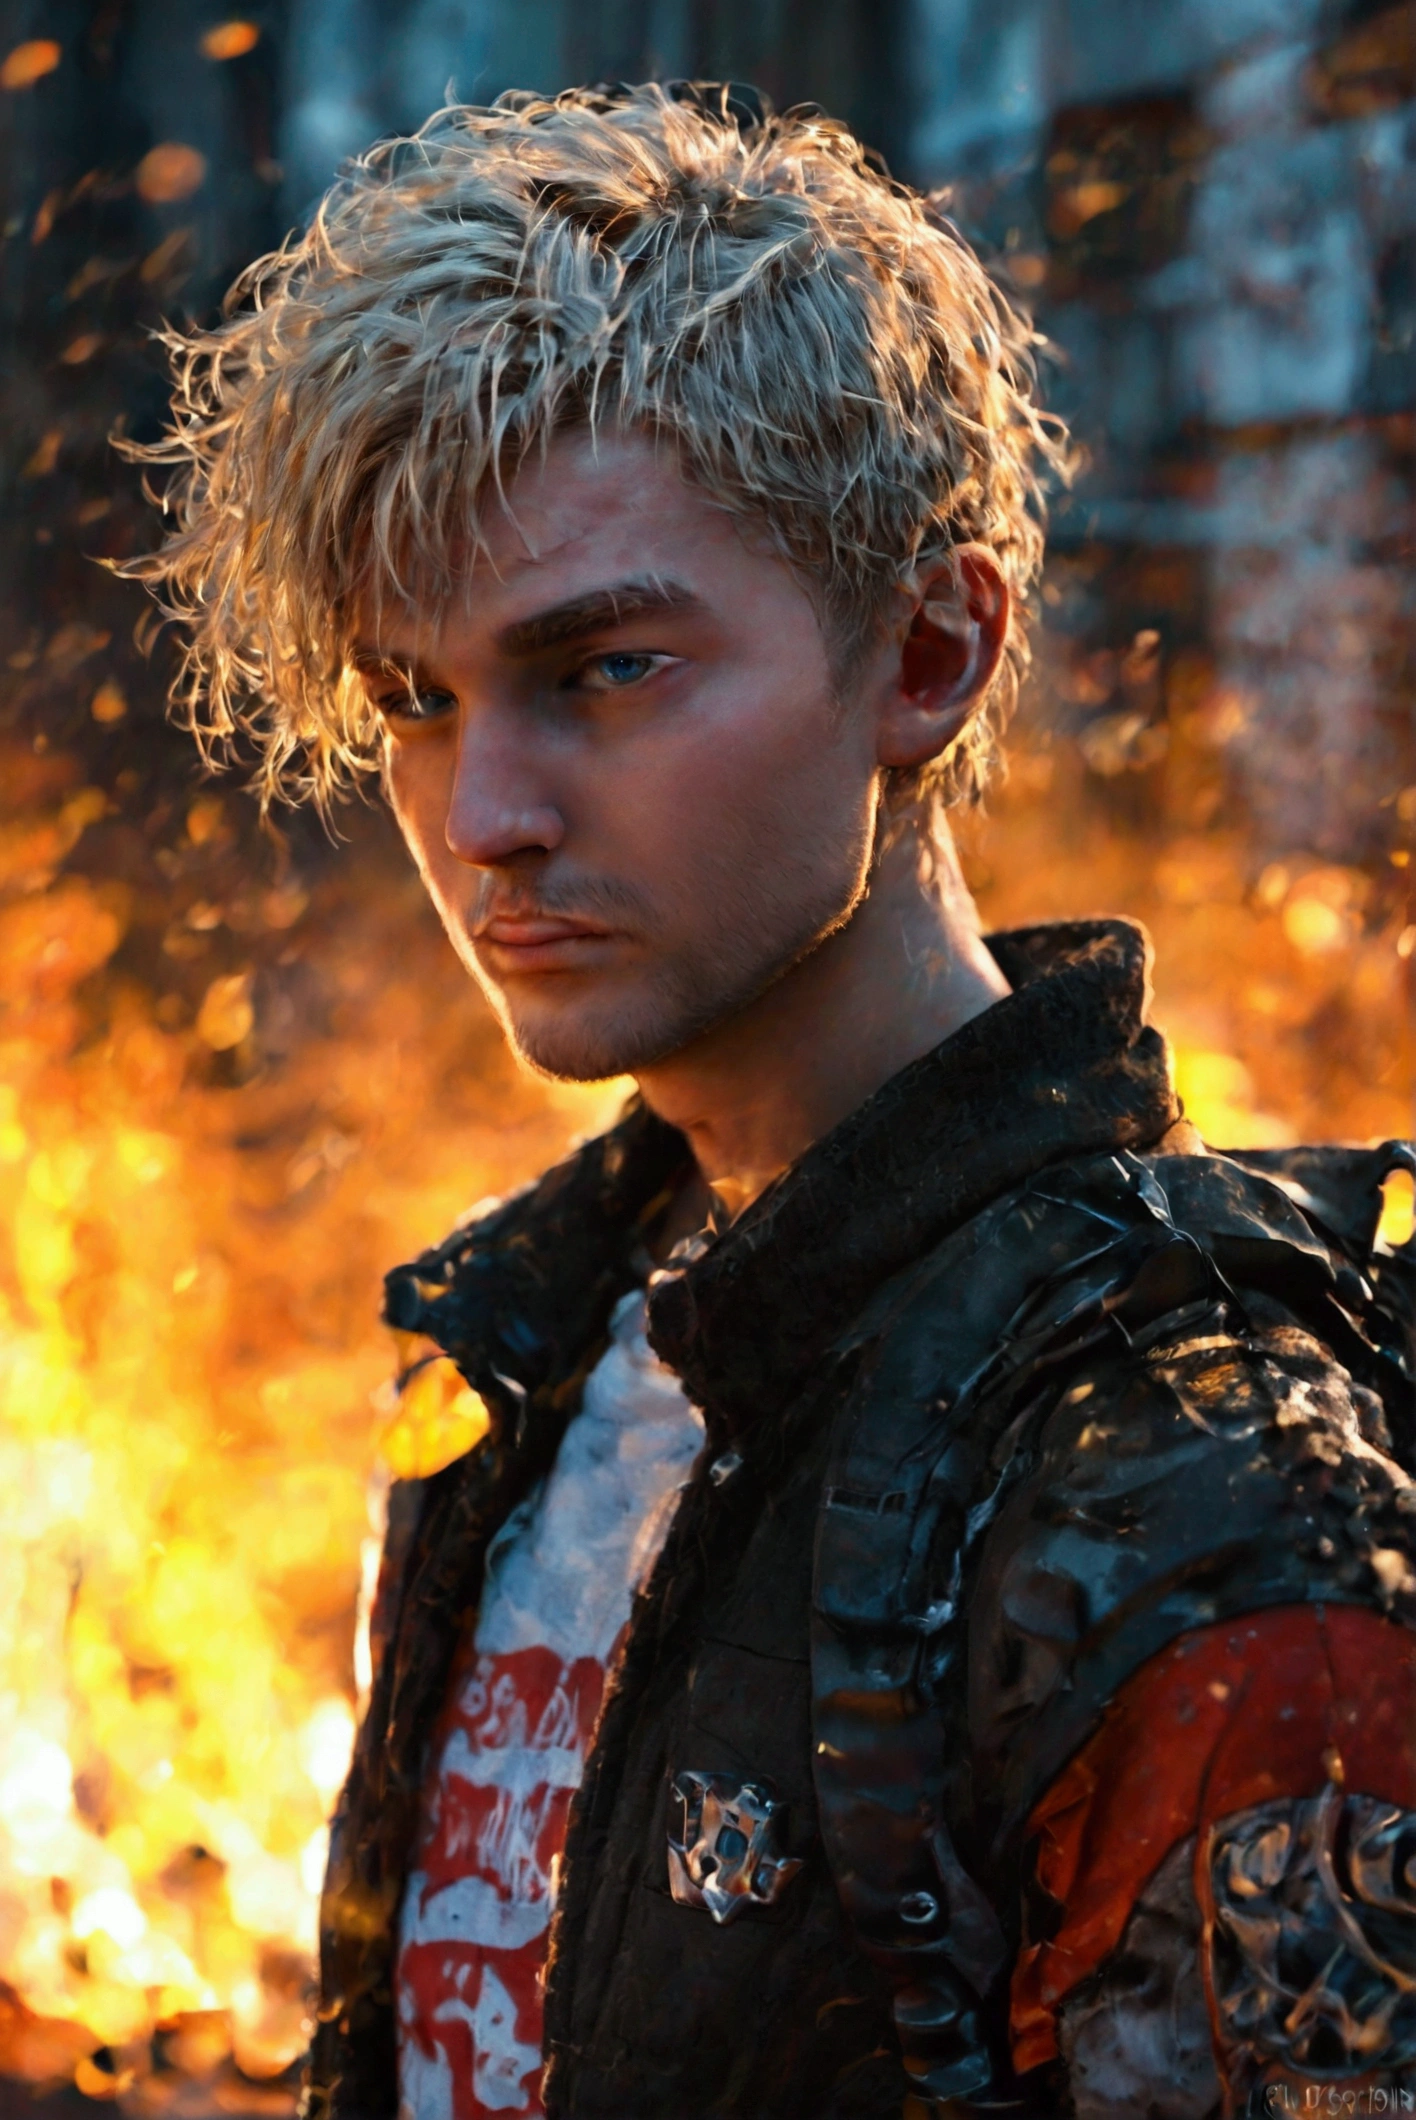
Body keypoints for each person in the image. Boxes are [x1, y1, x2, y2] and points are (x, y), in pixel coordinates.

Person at [125, 80, 1416, 2120]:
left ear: (928, 650)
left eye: (607, 668)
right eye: (416, 699)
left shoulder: (1187, 1468)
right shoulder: (529, 1365)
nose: (488, 817)